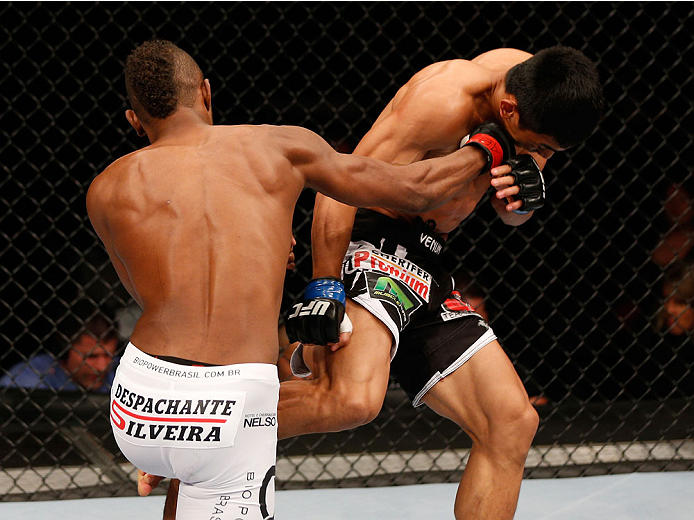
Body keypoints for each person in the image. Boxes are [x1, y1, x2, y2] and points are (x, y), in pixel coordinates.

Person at [88, 39, 520, 519]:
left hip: (136, 401)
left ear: (133, 120)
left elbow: (153, 290)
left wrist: (261, 254)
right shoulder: (280, 144)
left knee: (201, 466)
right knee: (226, 452)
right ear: (207, 93)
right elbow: (416, 189)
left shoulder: (106, 187)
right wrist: (487, 147)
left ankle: (202, 443)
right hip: (223, 402)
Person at [281, 46, 604, 519]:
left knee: (511, 423)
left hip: (429, 262)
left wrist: (525, 201)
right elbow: (340, 184)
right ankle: (205, 426)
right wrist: (325, 284)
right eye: (542, 148)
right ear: (509, 110)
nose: (543, 157)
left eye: (551, 153)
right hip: (373, 240)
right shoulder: (443, 100)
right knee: (351, 400)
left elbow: (509, 211)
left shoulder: (542, 91)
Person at [0, 314, 118, 393]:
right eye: (91, 356)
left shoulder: (121, 371)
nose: (102, 367)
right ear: (64, 350)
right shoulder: (26, 381)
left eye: (109, 355)